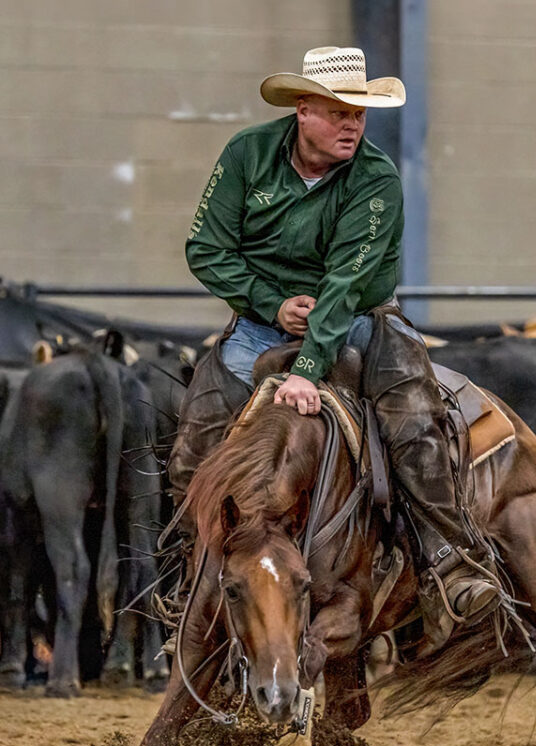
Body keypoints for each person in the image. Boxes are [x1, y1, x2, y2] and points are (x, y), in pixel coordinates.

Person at [168, 46, 504, 653]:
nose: (353, 125)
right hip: (263, 320)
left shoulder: (374, 178)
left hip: (358, 321)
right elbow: (206, 248)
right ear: (303, 111)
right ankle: (193, 579)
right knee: (195, 443)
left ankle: (448, 559)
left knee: (414, 422)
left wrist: (308, 369)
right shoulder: (247, 155)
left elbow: (348, 282)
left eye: (361, 114)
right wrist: (270, 303)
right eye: (340, 112)